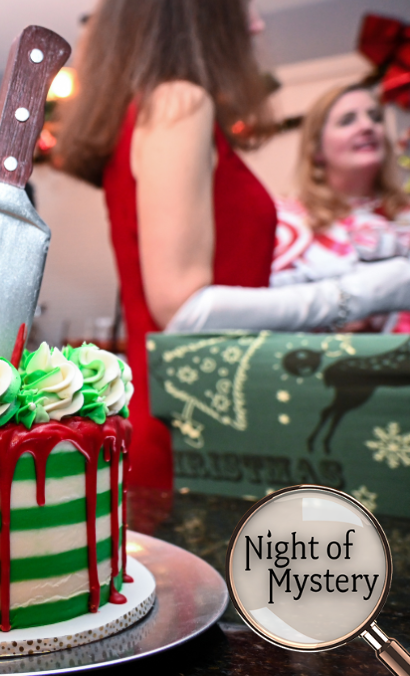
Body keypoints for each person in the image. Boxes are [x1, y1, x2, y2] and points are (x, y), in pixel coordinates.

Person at [57, 0, 410, 489]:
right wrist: (375, 288)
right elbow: (183, 309)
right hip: (192, 429)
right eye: (243, 7)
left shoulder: (157, 107)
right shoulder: (179, 101)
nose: (257, 23)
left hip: (197, 415)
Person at [271, 84, 410, 331]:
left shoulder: (404, 214)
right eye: (347, 121)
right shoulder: (290, 223)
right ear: (316, 149)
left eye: (375, 117)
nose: (368, 126)